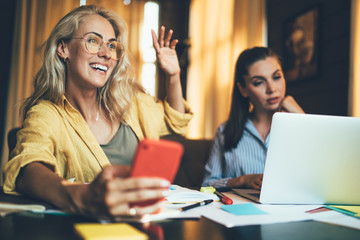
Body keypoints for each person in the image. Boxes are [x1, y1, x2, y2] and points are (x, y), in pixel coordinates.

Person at [2, 5, 192, 220]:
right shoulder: (46, 114)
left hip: (149, 223)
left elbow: (176, 121)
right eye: (93, 41)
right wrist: (80, 196)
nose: (106, 54)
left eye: (112, 45)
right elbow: (27, 167)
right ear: (63, 48)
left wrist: (174, 76)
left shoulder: (131, 101)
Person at [202, 47, 304, 189]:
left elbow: (324, 175)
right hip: (241, 209)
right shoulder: (225, 131)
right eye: (258, 82)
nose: (272, 88)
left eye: (276, 77)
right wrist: (241, 180)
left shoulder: (302, 126)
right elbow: (207, 185)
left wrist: (303, 119)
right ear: (243, 89)